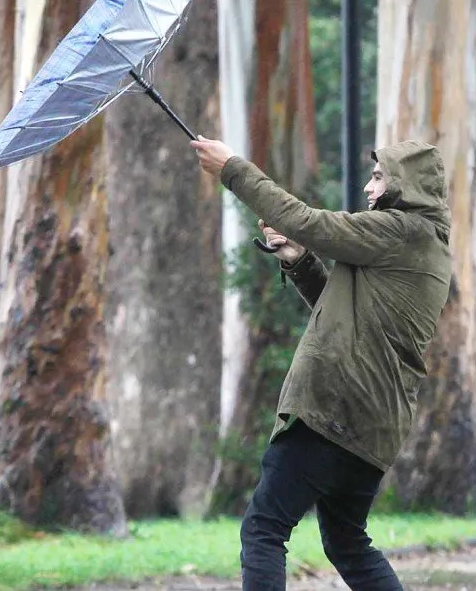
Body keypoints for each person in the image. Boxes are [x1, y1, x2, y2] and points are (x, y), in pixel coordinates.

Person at [189, 135, 453, 591]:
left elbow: (307, 221)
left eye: (378, 177)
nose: (369, 189)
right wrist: (299, 260)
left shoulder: (403, 230)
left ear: (404, 184)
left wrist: (232, 167)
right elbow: (344, 319)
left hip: (334, 410)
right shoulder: (418, 244)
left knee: (263, 529)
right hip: (373, 423)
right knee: (347, 541)